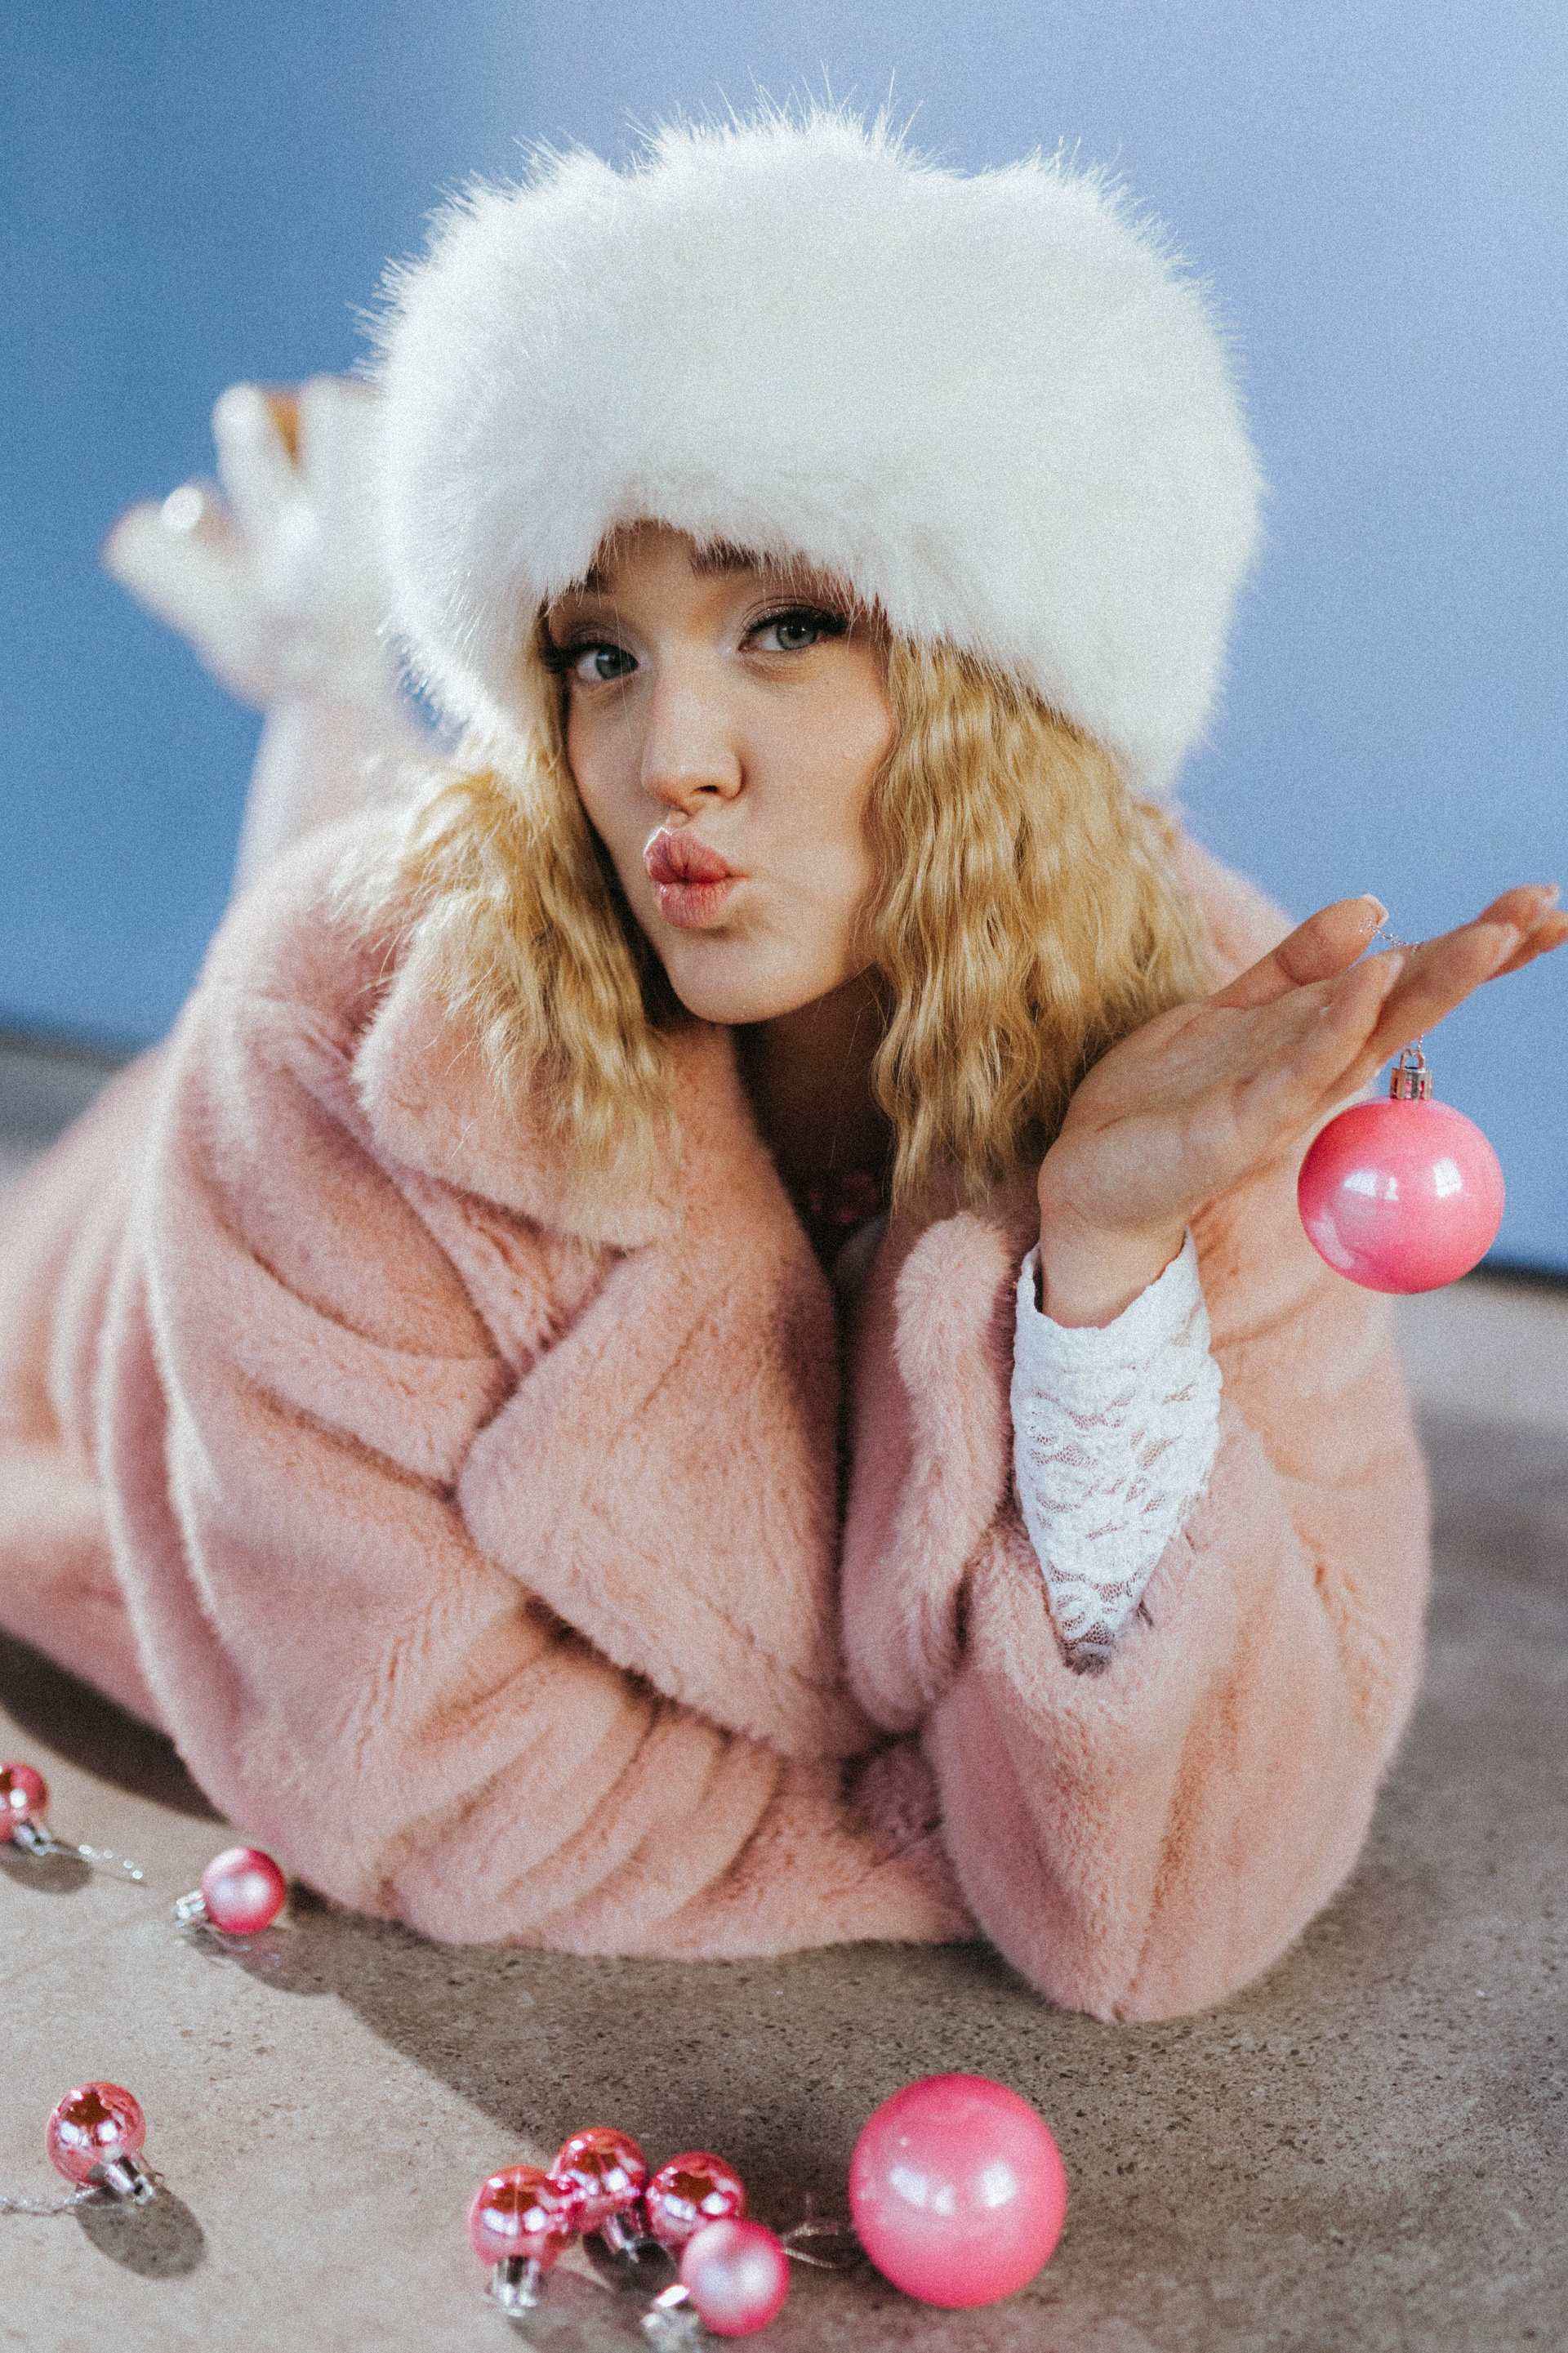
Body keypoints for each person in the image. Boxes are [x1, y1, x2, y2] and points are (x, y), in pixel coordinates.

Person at [2, 110, 1561, 2021]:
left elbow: (1165, 1913)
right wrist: (948, 1826)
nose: (672, 754)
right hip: (102, 1270)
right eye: (599, 653)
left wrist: (1107, 1291)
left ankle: (325, 656)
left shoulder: (1201, 1036)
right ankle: (327, 667)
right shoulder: (331, 1042)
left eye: (787, 625)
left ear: (990, 682)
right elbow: (422, 1786)